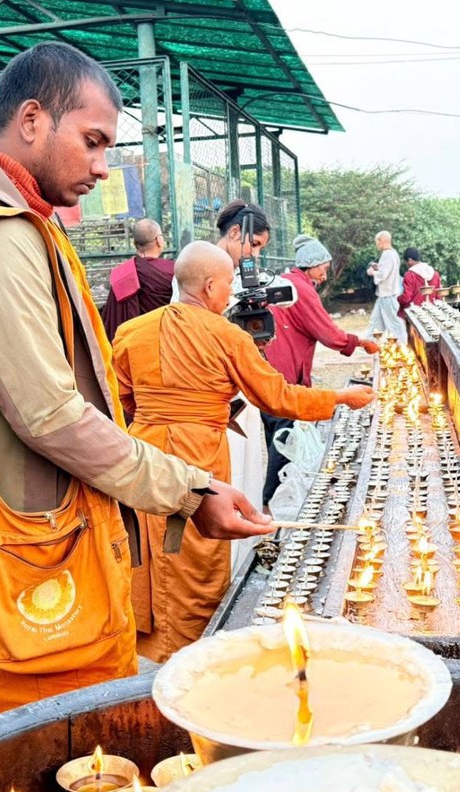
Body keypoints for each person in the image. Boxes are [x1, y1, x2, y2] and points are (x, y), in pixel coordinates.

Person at [0, 43, 273, 749]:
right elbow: (50, 414)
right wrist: (189, 490)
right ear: (32, 120)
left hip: (20, 545)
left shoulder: (22, 224)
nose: (102, 165)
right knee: (47, 757)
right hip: (12, 561)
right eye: (93, 142)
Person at [113, 241, 375, 662]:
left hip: (143, 458)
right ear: (211, 285)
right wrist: (340, 397)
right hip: (198, 460)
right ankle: (192, 662)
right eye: (229, 283)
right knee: (195, 562)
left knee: (148, 555)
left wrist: (160, 420)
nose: (231, 292)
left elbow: (123, 397)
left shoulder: (130, 332)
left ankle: (153, 656)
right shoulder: (226, 335)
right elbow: (278, 397)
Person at [262, 235, 380, 510]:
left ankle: (276, 496)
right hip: (283, 370)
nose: (325, 275)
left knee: (277, 432)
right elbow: (326, 331)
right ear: (310, 266)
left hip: (271, 367)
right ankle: (271, 503)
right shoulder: (300, 289)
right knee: (286, 432)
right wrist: (358, 342)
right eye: (323, 269)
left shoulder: (287, 282)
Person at [212, 199, 272, 517]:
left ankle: (246, 542)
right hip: (217, 389)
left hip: (240, 383)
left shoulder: (237, 273)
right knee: (229, 471)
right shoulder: (203, 265)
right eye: (256, 244)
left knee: (247, 464)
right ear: (236, 232)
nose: (256, 254)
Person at [101, 218, 175, 340]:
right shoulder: (172, 270)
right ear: (159, 240)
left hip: (133, 342)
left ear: (135, 244)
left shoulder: (122, 273)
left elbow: (112, 319)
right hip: (167, 340)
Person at [366, 230, 405, 340]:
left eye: (377, 242)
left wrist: (372, 272)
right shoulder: (393, 253)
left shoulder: (387, 254)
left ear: (381, 241)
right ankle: (369, 342)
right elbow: (387, 270)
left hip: (389, 294)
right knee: (375, 321)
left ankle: (402, 346)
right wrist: (378, 267)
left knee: (395, 324)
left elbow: (383, 275)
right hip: (384, 294)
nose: (376, 244)